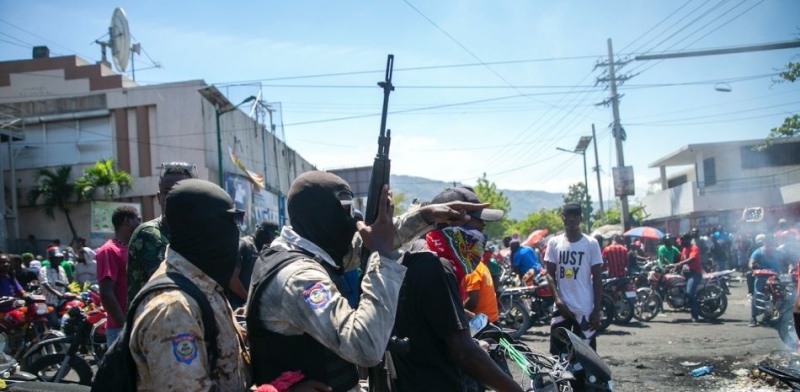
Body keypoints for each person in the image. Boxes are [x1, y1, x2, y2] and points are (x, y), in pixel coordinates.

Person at [246, 174, 491, 391]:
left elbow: (366, 243)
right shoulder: (298, 277)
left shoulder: (312, 249)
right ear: (318, 213)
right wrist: (382, 257)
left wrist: (425, 215)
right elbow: (366, 348)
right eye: (345, 207)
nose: (354, 218)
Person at [392, 186, 522, 392]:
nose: (482, 233)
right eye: (478, 227)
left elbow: (435, 324)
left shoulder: (417, 254)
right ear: (449, 221)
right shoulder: (436, 266)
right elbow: (463, 352)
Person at [129, 179, 252, 391]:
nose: (235, 232)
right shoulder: (173, 310)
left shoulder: (201, 283)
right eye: (231, 222)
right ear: (205, 228)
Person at [127, 162, 196, 308]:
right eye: (167, 191)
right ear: (159, 197)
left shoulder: (194, 233)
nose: (173, 197)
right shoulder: (149, 233)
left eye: (181, 191)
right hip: (152, 321)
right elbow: (173, 280)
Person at [544, 202, 604, 353]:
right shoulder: (554, 242)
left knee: (586, 353)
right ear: (562, 218)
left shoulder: (591, 243)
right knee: (557, 353)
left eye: (574, 216)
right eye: (567, 216)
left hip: (585, 308)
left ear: (580, 219)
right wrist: (558, 301)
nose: (570, 219)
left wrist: (596, 310)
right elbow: (549, 273)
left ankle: (582, 378)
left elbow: (597, 277)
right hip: (562, 307)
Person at [96, 205, 141, 345]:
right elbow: (106, 294)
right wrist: (125, 326)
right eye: (137, 220)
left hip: (138, 326)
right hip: (120, 330)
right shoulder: (109, 250)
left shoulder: (132, 248)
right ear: (127, 221)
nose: (140, 224)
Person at [227, 219, 279, 309]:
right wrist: (249, 300)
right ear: (261, 232)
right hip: (237, 305)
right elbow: (232, 280)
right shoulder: (245, 245)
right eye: (270, 237)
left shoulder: (264, 250)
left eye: (273, 238)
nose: (271, 240)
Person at [748, 234, 781, 327]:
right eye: (769, 243)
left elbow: (786, 261)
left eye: (772, 242)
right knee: (757, 296)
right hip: (762, 278)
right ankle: (753, 318)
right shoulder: (759, 252)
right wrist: (753, 267)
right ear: (765, 243)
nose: (771, 245)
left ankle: (769, 316)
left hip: (775, 278)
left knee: (775, 298)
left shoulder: (777, 252)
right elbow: (751, 262)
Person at [672, 233, 703, 323]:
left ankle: (695, 316)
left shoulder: (694, 248)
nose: (680, 242)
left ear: (687, 240)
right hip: (686, 274)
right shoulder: (684, 249)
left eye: (682, 240)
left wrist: (679, 264)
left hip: (695, 274)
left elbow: (691, 259)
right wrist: (674, 268)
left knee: (690, 292)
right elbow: (682, 262)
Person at [38, 249, 68, 327]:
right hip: (50, 301)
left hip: (62, 301)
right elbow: (46, 284)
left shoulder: (61, 269)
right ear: (51, 259)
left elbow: (65, 283)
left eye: (60, 258)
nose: (58, 260)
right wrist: (58, 294)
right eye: (56, 258)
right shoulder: (44, 269)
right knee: (54, 323)